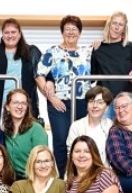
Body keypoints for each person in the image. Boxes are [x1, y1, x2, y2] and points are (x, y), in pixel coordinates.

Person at [37, 15, 94, 176]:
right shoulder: (52, 52)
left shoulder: (87, 52)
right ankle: (62, 180)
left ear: (80, 32)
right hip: (59, 103)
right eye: (67, 29)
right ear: (62, 32)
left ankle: (81, 179)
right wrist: (51, 98)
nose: (70, 32)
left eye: (74, 29)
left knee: (81, 142)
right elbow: (39, 75)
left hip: (82, 102)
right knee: (61, 142)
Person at [0, 18, 43, 119]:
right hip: (0, 110)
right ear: (2, 35)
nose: (10, 35)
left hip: (24, 109)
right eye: (6, 32)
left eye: (13, 32)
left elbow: (42, 77)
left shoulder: (31, 52)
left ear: (20, 34)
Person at [91, 11, 132, 117]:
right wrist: (93, 50)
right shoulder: (98, 48)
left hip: (126, 100)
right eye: (114, 23)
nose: (117, 27)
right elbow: (92, 76)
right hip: (106, 100)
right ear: (109, 25)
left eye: (120, 25)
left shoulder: (131, 47)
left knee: (127, 127)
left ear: (124, 29)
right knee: (104, 127)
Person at [3, 88, 48, 179]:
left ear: (27, 107)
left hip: (33, 178)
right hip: (12, 179)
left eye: (23, 103)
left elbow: (43, 162)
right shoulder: (6, 130)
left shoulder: (36, 129)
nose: (20, 106)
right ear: (7, 107)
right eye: (15, 102)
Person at [66, 86, 114, 166]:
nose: (94, 105)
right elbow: (71, 154)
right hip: (81, 170)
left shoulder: (110, 125)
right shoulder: (76, 126)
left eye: (100, 102)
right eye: (91, 101)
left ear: (107, 107)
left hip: (104, 171)